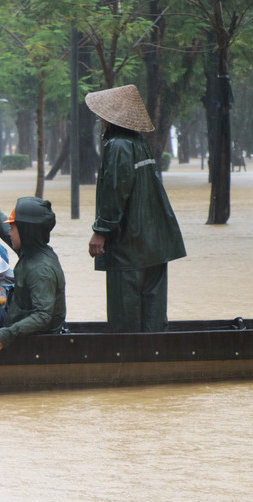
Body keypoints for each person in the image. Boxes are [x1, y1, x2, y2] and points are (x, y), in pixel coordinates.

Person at [85, 84, 186, 332]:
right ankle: (155, 365)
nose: (100, 119)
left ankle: (130, 367)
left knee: (125, 324)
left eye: (103, 115)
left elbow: (116, 192)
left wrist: (101, 231)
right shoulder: (139, 143)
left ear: (111, 118)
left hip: (128, 250)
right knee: (153, 319)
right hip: (155, 245)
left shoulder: (117, 146)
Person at [0, 197, 66, 356]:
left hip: (40, 344)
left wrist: (9, 333)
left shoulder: (41, 269)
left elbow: (42, 315)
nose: (10, 233)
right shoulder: (31, 250)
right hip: (22, 330)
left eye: (13, 228)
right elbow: (3, 226)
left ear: (27, 232)